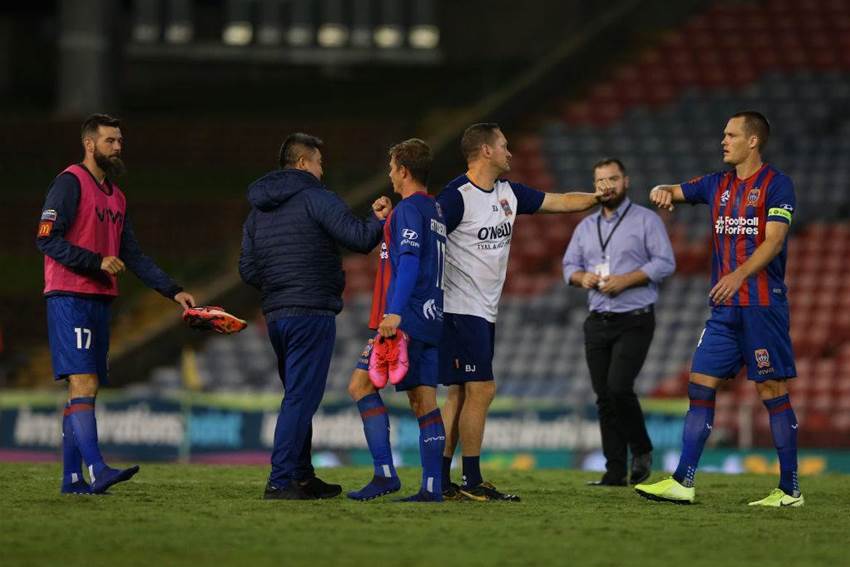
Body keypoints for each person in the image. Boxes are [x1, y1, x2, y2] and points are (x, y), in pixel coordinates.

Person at [636, 111, 803, 507]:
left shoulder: (778, 186)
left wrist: (739, 275)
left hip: (762, 305)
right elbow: (673, 190)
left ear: (753, 141)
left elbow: (774, 242)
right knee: (700, 383)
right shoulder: (718, 185)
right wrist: (661, 191)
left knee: (771, 389)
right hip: (725, 311)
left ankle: (790, 489)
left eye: (730, 135)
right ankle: (683, 481)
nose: (723, 141)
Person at [437, 123, 608, 501]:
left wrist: (597, 197)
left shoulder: (509, 193)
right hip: (459, 308)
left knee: (460, 394)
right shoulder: (456, 197)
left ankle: (440, 478)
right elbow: (426, 238)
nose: (509, 152)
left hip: (483, 310)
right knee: (481, 389)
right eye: (503, 145)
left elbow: (560, 201)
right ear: (485, 151)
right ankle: (471, 480)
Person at [36, 113, 196, 495]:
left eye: (120, 140)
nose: (118, 147)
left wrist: (173, 290)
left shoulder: (118, 197)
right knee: (84, 381)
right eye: (110, 140)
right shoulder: (69, 183)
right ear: (89, 144)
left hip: (99, 300)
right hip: (70, 295)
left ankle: (72, 477)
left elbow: (134, 256)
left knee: (82, 388)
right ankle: (98, 469)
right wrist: (95, 261)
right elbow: (46, 238)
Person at [239, 132, 391, 500]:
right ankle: (280, 480)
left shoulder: (258, 210)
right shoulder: (316, 198)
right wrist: (377, 218)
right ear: (305, 163)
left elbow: (247, 268)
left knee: (296, 393)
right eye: (320, 163)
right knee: (301, 398)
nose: (323, 170)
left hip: (276, 314)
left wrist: (280, 284)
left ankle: (302, 476)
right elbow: (357, 238)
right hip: (311, 311)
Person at [562, 158, 675, 486]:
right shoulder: (585, 226)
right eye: (600, 181)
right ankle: (614, 473)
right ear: (594, 186)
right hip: (597, 319)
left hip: (635, 317)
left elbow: (665, 263)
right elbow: (568, 265)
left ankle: (641, 449)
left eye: (612, 179)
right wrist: (581, 277)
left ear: (625, 182)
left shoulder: (646, 220)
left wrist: (627, 280)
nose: (606, 186)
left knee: (618, 387)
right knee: (603, 396)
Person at [346, 138, 448, 502]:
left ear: (403, 170)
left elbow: (408, 262)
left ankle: (397, 478)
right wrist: (389, 220)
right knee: (418, 400)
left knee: (376, 389)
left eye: (391, 168)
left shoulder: (409, 210)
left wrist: (394, 312)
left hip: (405, 318)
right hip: (430, 313)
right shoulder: (432, 210)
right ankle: (421, 483)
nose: (389, 174)